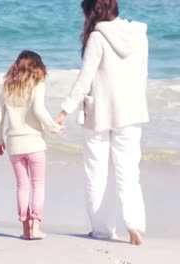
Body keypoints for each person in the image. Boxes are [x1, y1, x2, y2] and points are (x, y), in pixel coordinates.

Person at [55, 0, 149, 245]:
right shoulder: (139, 35)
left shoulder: (97, 37)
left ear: (92, 11)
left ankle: (103, 230)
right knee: (129, 171)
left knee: (96, 172)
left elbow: (85, 79)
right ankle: (134, 224)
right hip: (131, 111)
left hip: (100, 112)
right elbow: (142, 74)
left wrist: (65, 110)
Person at [0, 50, 61, 240]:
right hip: (35, 143)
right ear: (38, 67)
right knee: (38, 185)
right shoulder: (38, 85)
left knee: (22, 186)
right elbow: (39, 110)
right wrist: (54, 127)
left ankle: (25, 229)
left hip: (14, 146)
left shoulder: (7, 87)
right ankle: (36, 227)